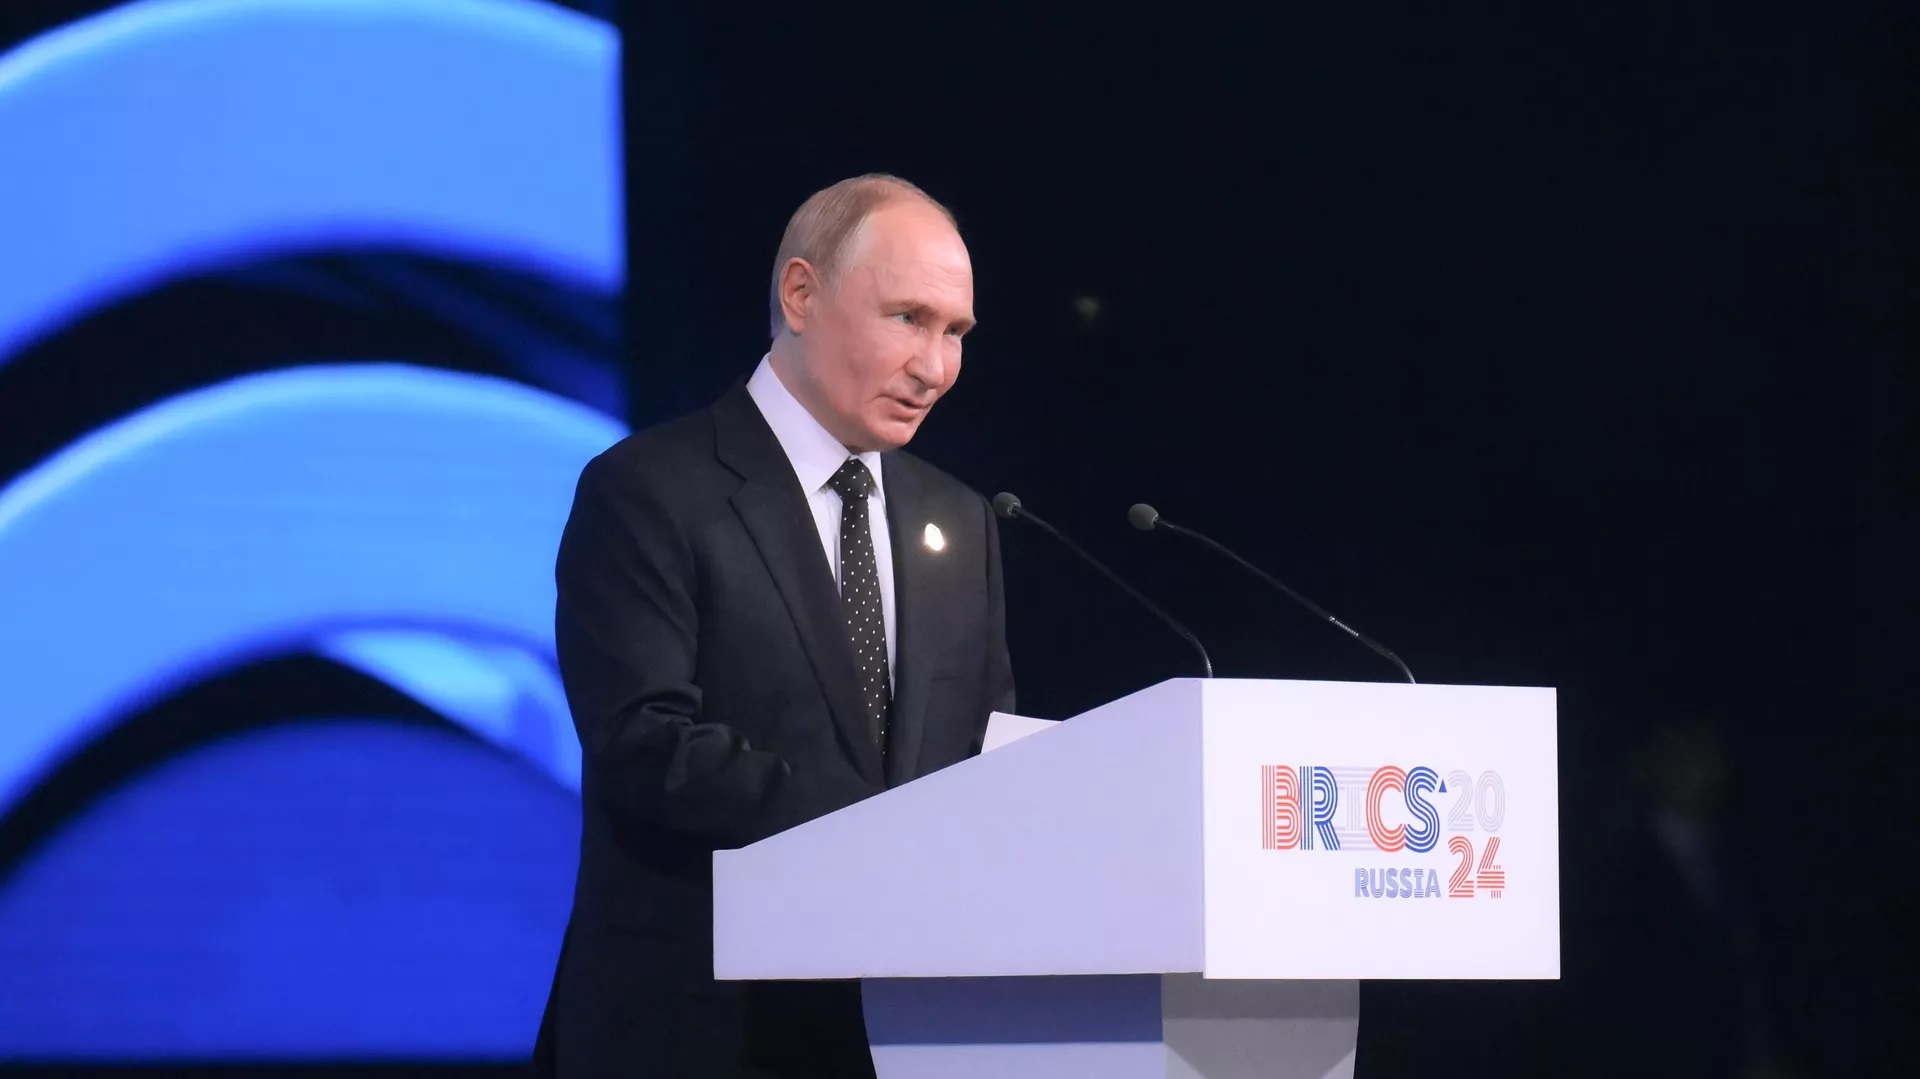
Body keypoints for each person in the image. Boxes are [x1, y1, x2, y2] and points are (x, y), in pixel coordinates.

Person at [531, 174, 1016, 1078]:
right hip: (701, 1029)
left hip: (913, 1035)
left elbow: (986, 754)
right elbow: (644, 741)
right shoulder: (649, 490)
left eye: (955, 332)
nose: (936, 367)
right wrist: (885, 828)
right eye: (909, 318)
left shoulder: (960, 521)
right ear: (800, 294)